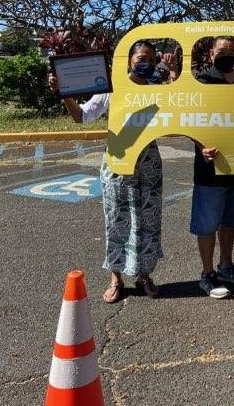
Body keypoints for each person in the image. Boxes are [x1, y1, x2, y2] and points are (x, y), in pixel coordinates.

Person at [49, 40, 171, 303]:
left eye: (150, 58)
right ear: (129, 60)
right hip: (118, 162)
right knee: (117, 219)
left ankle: (144, 275)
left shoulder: (158, 89)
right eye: (140, 57)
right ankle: (116, 277)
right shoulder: (111, 87)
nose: (145, 62)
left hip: (148, 163)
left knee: (149, 221)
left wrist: (173, 78)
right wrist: (64, 93)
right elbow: (81, 116)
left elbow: (180, 116)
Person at [191, 36, 234, 299]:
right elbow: (190, 121)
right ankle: (207, 275)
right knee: (207, 224)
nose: (228, 55)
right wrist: (201, 147)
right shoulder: (202, 83)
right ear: (211, 55)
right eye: (222, 51)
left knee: (231, 221)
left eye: (232, 50)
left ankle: (226, 267)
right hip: (210, 169)